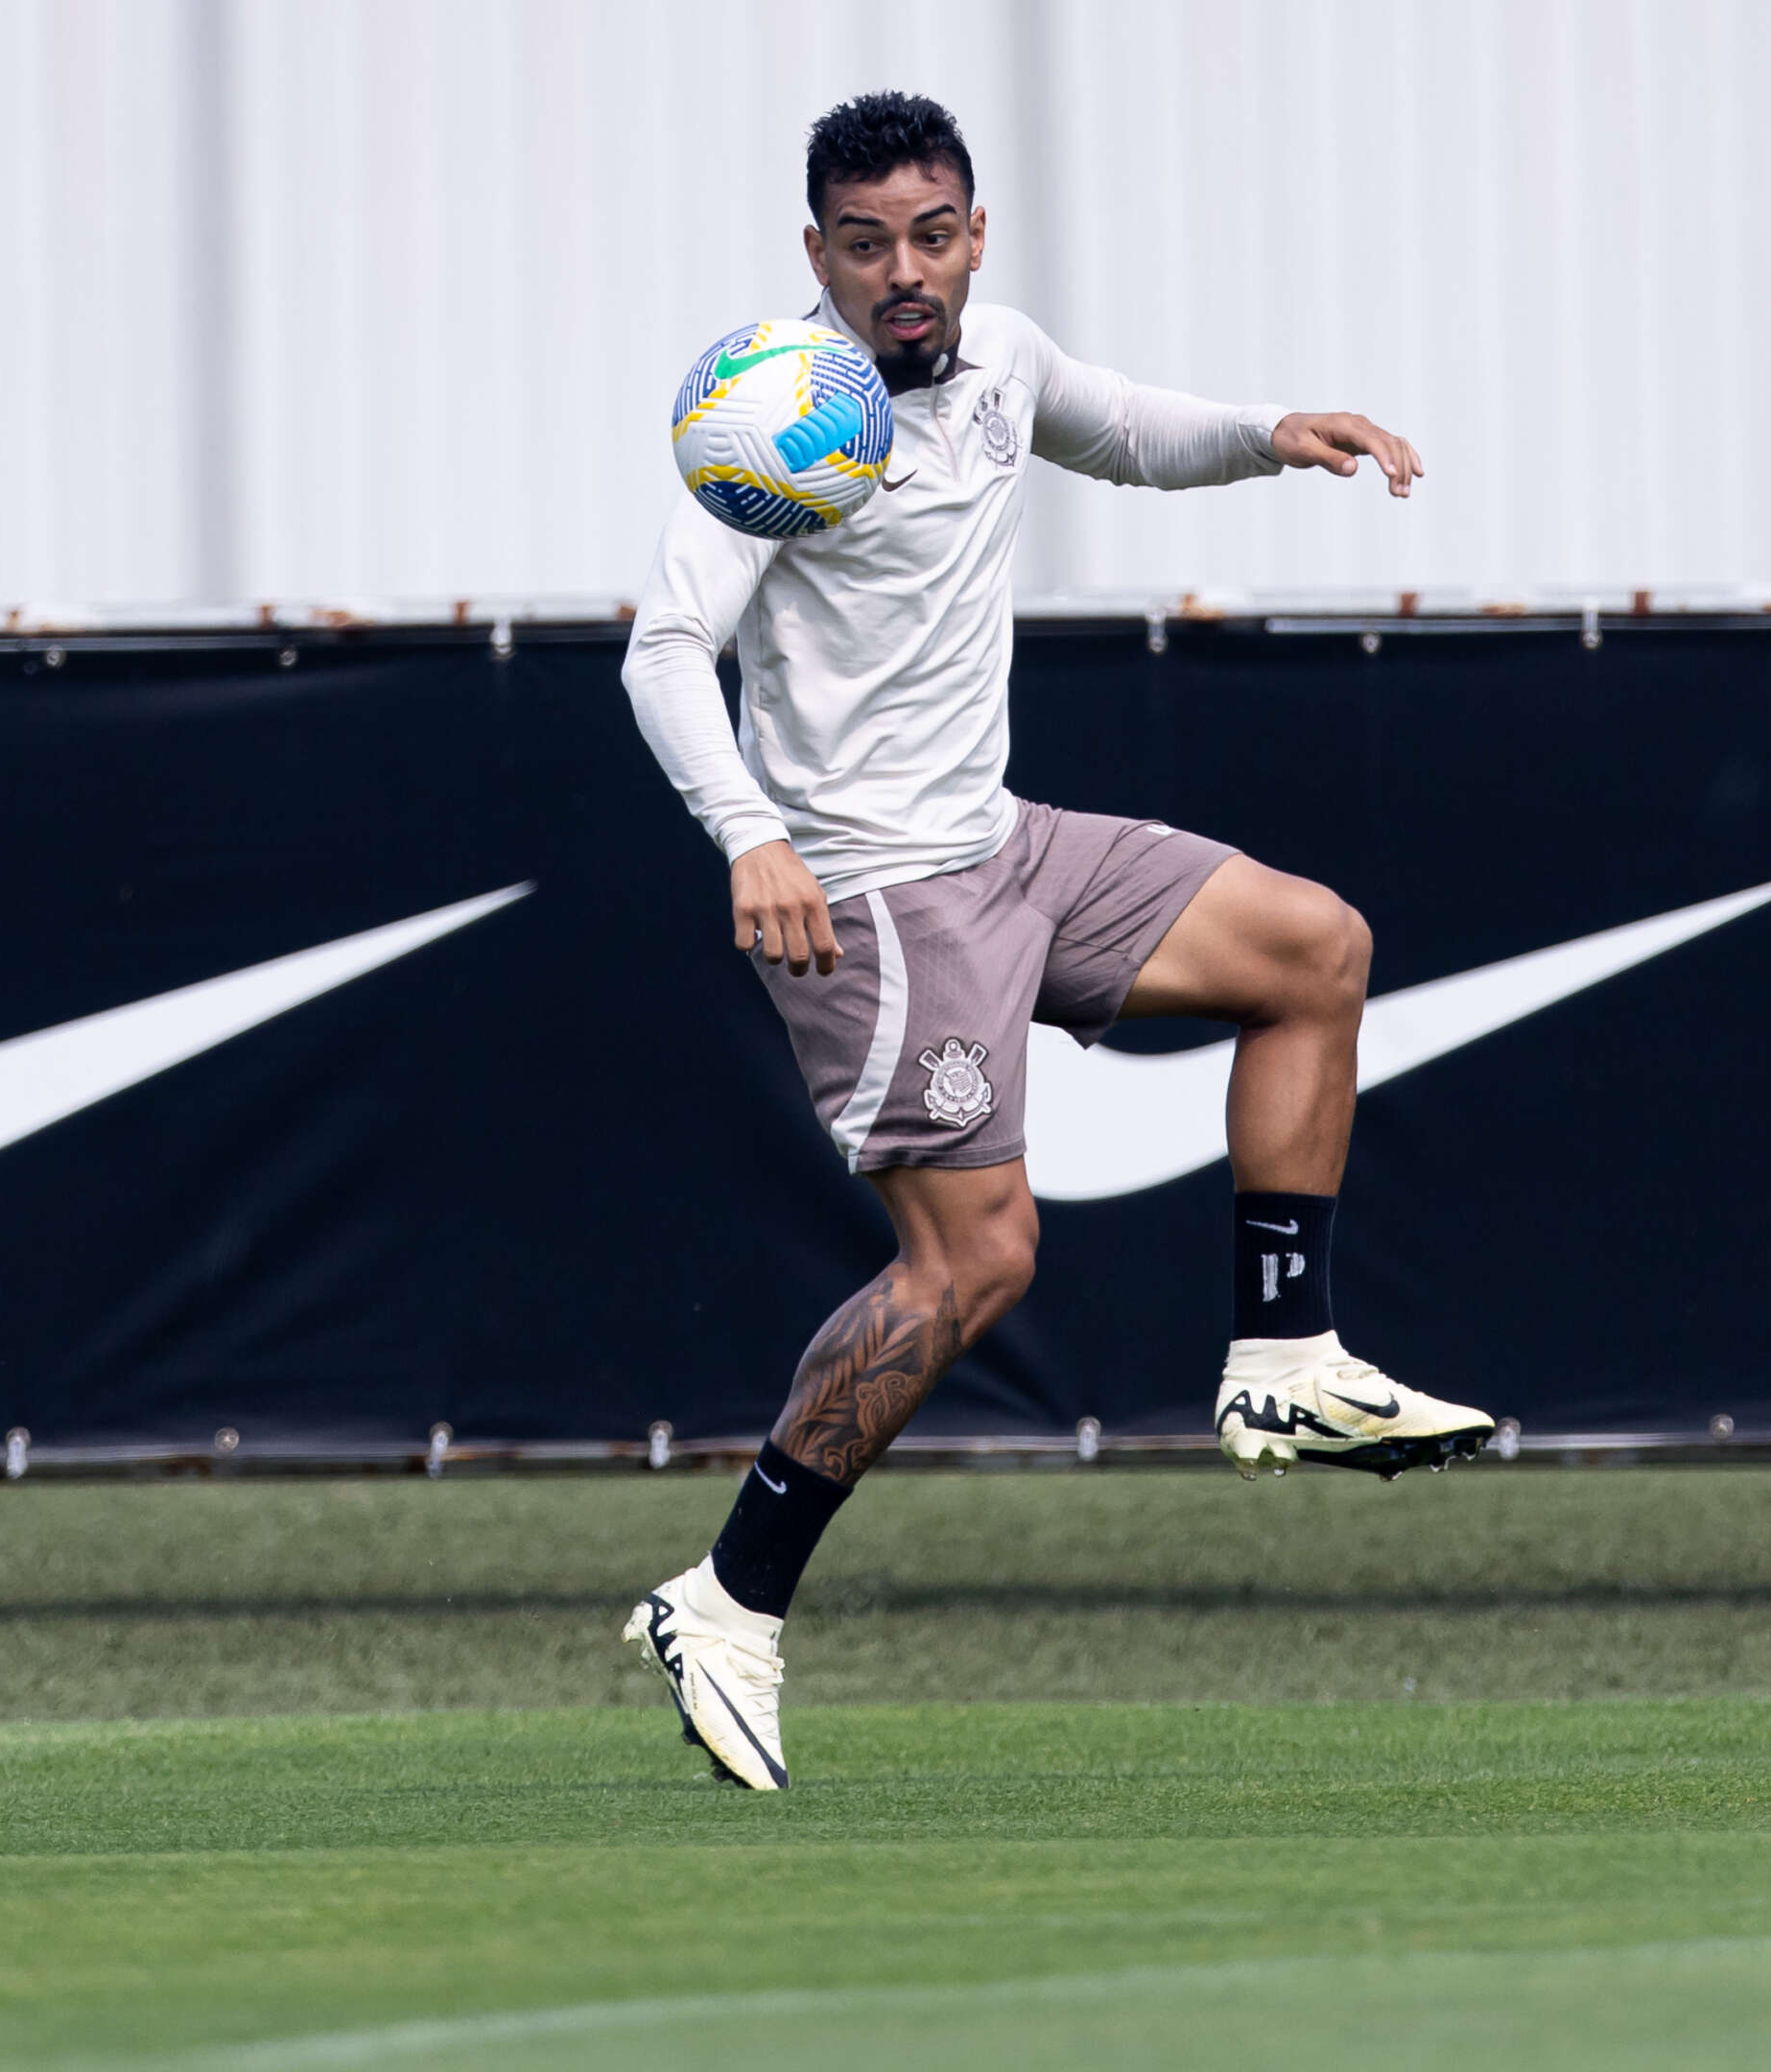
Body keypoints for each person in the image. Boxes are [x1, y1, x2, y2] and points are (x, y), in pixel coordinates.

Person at [618, 92, 1492, 1791]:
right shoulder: (778, 416)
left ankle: (1286, 1355)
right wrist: (752, 835)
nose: (904, 274)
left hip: (1009, 845)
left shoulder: (1002, 357)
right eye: (864, 244)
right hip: (874, 894)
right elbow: (664, 653)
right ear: (816, 258)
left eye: (930, 235)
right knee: (979, 1265)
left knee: (1314, 950)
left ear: (976, 235)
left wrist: (1272, 429)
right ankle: (728, 1600)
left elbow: (1124, 432)